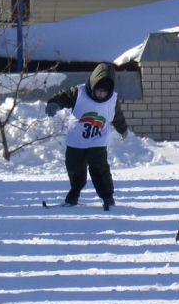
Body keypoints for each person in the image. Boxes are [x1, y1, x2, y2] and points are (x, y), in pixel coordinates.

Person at [44, 61, 130, 209]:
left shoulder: (113, 100)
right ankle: (73, 195)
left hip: (98, 142)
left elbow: (117, 116)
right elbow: (63, 97)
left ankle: (108, 197)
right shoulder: (79, 92)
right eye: (99, 90)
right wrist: (54, 103)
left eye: (105, 92)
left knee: (100, 170)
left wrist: (122, 128)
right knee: (75, 170)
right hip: (76, 142)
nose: (101, 94)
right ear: (93, 85)